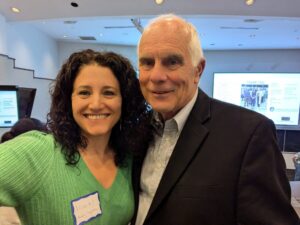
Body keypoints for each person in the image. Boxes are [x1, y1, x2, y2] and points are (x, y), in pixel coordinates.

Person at [134, 14, 299, 225]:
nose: (156, 76)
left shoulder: (249, 134)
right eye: (147, 63)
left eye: (172, 62)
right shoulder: (136, 130)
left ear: (198, 70)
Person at [0, 49, 152, 225]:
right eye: (84, 93)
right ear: (69, 100)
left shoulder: (127, 157)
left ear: (123, 100)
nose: (96, 104)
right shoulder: (38, 152)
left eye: (108, 92)